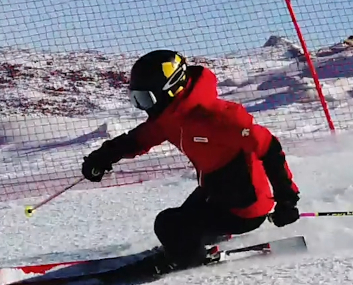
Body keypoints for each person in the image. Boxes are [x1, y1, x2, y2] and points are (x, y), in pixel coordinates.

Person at [80, 49, 300, 270]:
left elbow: (269, 147)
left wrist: (286, 200)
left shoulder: (217, 116)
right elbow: (140, 138)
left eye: (146, 99)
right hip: (215, 192)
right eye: (137, 99)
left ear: (171, 88)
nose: (143, 107)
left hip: (246, 206)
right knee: (179, 226)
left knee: (168, 224)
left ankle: (189, 258)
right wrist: (103, 157)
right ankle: (193, 244)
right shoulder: (171, 116)